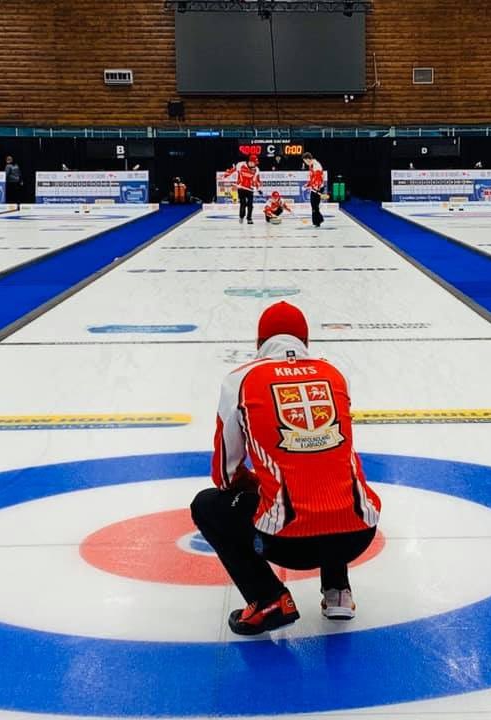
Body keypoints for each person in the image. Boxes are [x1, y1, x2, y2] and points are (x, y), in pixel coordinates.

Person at [191, 301, 381, 636]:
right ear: (305, 341)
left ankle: (268, 599)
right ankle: (338, 590)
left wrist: (257, 483)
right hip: (358, 535)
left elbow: (224, 475)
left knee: (207, 505)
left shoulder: (239, 379)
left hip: (288, 544)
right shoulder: (334, 373)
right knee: (327, 470)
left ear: (259, 342)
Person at [223, 155, 261, 224]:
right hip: (240, 188)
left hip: (250, 189)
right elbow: (232, 170)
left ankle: (249, 218)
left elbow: (257, 180)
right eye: (254, 163)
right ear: (250, 161)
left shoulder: (256, 169)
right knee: (243, 203)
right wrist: (225, 175)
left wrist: (258, 188)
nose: (255, 164)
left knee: (250, 204)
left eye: (256, 163)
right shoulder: (240, 165)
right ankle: (241, 217)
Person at [302, 151, 325, 227]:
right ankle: (318, 220)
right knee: (314, 205)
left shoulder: (316, 166)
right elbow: (312, 178)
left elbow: (318, 180)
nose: (305, 163)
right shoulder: (311, 165)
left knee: (315, 205)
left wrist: (316, 189)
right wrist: (307, 185)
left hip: (318, 187)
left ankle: (317, 221)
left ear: (308, 159)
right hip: (314, 187)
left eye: (305, 161)